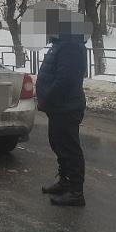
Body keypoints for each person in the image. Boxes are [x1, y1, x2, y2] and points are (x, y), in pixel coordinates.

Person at [36, 22, 88, 207]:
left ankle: (75, 192)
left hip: (66, 106)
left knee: (69, 148)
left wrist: (47, 99)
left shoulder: (71, 46)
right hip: (58, 107)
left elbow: (65, 79)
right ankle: (65, 182)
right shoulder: (60, 44)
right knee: (58, 144)